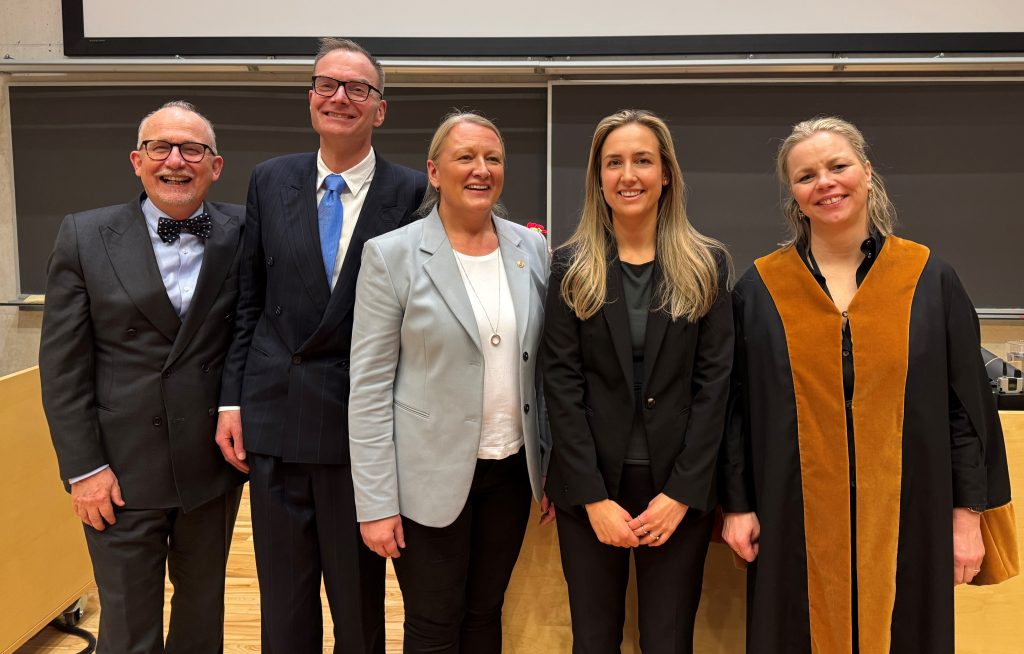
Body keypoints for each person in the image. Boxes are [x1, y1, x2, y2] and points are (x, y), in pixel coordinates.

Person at [719, 116, 1018, 654]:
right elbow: (736, 410)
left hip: (909, 518)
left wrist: (967, 516)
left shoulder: (927, 279)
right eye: (807, 175)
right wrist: (738, 505)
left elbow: (965, 407)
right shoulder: (761, 289)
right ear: (793, 193)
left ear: (868, 172)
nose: (825, 183)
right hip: (795, 521)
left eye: (838, 166)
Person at [214, 37, 427, 653]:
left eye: (357, 88)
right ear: (310, 99)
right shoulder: (269, 179)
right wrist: (232, 402)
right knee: (284, 606)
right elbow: (248, 302)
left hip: (359, 430)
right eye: (327, 84)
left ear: (379, 109)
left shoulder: (412, 192)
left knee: (359, 610)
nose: (340, 97)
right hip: (275, 418)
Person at [38, 100, 246, 653]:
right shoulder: (84, 236)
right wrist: (84, 470)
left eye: (192, 149)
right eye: (161, 147)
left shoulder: (244, 232)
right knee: (129, 630)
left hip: (210, 469)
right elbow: (64, 368)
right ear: (137, 160)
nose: (176, 160)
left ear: (215, 165)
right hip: (120, 473)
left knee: (202, 621)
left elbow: (252, 339)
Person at [348, 111, 554, 653]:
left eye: (493, 158)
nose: (481, 169)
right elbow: (368, 388)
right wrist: (375, 503)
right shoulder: (392, 255)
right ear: (435, 172)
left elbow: (543, 367)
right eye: (466, 157)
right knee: (435, 624)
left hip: (510, 472)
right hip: (426, 479)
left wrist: (549, 464)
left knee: (486, 615)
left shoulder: (529, 248)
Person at [542, 109, 733, 653]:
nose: (629, 175)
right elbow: (561, 384)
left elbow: (715, 386)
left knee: (668, 642)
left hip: (677, 489)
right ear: (598, 179)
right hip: (592, 490)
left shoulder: (707, 264)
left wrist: (682, 494)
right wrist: (592, 498)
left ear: (666, 173)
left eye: (643, 160)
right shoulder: (569, 268)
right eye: (614, 163)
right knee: (594, 639)